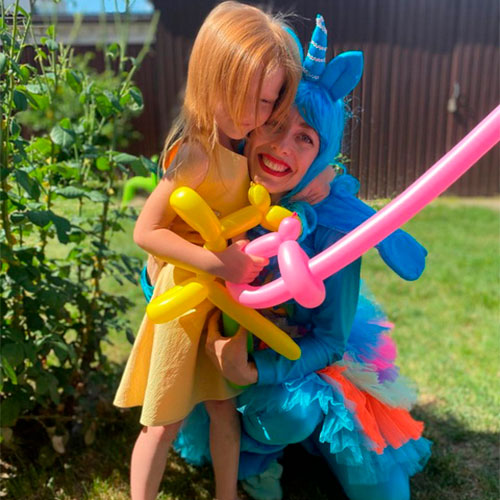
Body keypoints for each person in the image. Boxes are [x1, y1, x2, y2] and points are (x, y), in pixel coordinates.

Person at [174, 15, 431, 500]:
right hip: (231, 351)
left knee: (384, 493)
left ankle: (313, 438)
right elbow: (167, 272)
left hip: (309, 357)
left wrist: (257, 371)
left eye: (305, 138)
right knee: (282, 415)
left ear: (322, 155)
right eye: (274, 124)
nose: (281, 146)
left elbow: (330, 340)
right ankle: (257, 455)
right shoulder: (221, 185)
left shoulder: (333, 225)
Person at [114, 4, 332, 500]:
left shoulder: (242, 145)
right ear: (209, 77)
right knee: (162, 421)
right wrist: (220, 262)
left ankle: (226, 494)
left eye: (266, 102)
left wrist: (322, 171)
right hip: (186, 300)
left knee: (223, 409)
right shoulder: (194, 152)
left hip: (224, 303)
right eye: (243, 95)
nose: (252, 114)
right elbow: (147, 232)